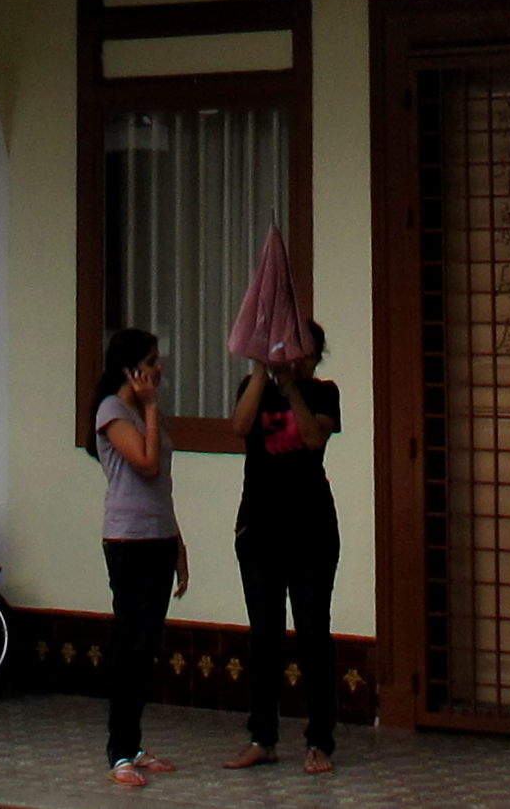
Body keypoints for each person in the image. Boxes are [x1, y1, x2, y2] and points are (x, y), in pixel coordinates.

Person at [226, 329, 341, 774]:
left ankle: (320, 741)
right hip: (259, 529)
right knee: (264, 634)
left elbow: (314, 439)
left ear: (315, 358)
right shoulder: (252, 390)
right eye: (291, 354)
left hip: (312, 529)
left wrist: (293, 389)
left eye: (306, 355)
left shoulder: (325, 394)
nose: (298, 361)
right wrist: (260, 373)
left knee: (313, 633)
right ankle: (262, 737)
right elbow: (239, 427)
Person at [93, 326, 186, 787]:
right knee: (130, 644)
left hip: (159, 537)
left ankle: (135, 742)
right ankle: (119, 750)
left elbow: (162, 487)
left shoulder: (148, 412)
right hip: (128, 541)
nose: (157, 369)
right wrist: (149, 407)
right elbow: (145, 465)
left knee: (147, 645)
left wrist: (179, 544)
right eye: (150, 361)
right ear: (130, 369)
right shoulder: (113, 410)